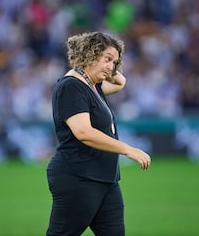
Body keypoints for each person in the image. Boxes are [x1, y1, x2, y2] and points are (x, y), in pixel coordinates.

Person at [46, 31, 151, 236]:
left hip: (105, 179)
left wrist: (106, 64)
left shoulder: (91, 85)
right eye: (107, 59)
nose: (111, 67)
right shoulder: (71, 86)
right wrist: (127, 149)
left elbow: (121, 82)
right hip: (79, 176)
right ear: (91, 54)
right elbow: (83, 132)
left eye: (115, 62)